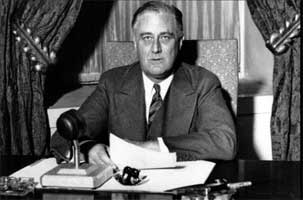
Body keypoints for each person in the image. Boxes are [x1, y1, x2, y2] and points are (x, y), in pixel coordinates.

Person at [51, 1, 236, 166]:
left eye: (165, 37)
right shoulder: (113, 82)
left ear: (179, 43)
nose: (155, 48)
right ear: (135, 43)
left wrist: (154, 147)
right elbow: (64, 134)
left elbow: (225, 142)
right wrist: (88, 149)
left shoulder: (203, 83)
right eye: (147, 38)